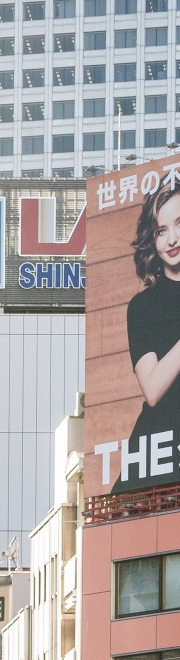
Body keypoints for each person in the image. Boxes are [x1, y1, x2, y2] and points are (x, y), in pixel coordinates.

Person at [113, 180, 180, 499]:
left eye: (179, 224)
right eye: (161, 230)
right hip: (159, 448)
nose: (173, 239)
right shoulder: (144, 306)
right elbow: (152, 389)